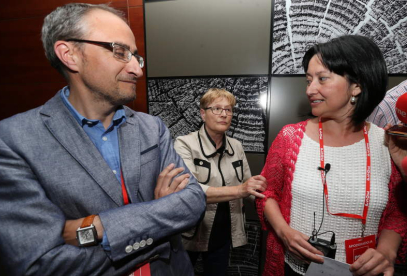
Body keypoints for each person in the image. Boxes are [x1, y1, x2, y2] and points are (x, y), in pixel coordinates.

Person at [0, 3, 206, 276]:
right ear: (69, 55)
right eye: (120, 52)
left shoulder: (151, 127)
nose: (137, 69)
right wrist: (160, 224)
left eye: (136, 57)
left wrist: (95, 228)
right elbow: (44, 265)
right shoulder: (10, 141)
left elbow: (193, 201)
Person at [256, 35, 407, 276]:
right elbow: (267, 193)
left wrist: (387, 252)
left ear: (357, 85)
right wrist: (285, 233)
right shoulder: (290, 138)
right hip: (294, 270)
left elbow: (397, 211)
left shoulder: (389, 144)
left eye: (322, 79)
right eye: (308, 80)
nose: (310, 89)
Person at [174, 88, 267, 275]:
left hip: (224, 231)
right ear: (203, 113)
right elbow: (190, 190)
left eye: (229, 109)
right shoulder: (184, 143)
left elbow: (249, 184)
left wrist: (270, 203)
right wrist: (242, 190)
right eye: (217, 109)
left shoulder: (237, 146)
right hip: (191, 230)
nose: (224, 114)